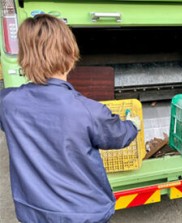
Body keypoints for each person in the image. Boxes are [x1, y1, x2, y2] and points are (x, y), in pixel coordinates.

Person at [0, 14, 140, 223]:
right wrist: (133, 125)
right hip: (84, 215)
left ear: (25, 57)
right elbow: (119, 136)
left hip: (34, 214)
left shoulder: (8, 103)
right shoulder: (89, 111)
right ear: (70, 54)